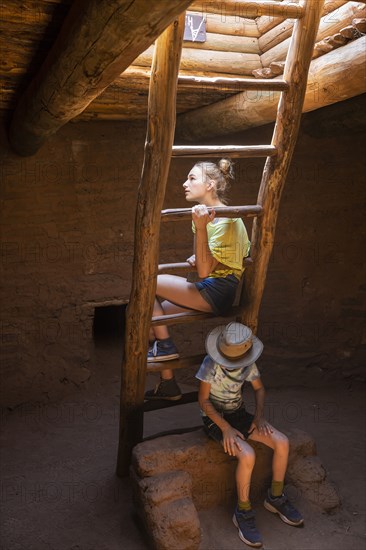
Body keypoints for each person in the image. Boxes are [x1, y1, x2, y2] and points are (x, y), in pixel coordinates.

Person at [145, 159, 250, 401]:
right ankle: (168, 384)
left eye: (192, 178)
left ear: (210, 184)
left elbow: (204, 270)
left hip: (218, 291)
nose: (185, 183)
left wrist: (201, 232)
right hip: (210, 286)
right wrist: (202, 247)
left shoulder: (226, 220)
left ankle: (166, 348)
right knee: (148, 322)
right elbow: (207, 260)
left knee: (149, 281)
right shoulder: (204, 217)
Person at [196, 322, 303, 548]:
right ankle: (242, 512)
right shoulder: (210, 364)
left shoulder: (248, 363)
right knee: (248, 454)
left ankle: (275, 497)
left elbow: (259, 389)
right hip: (215, 419)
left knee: (282, 442)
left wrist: (259, 417)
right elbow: (203, 401)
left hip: (239, 413)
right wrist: (225, 428)